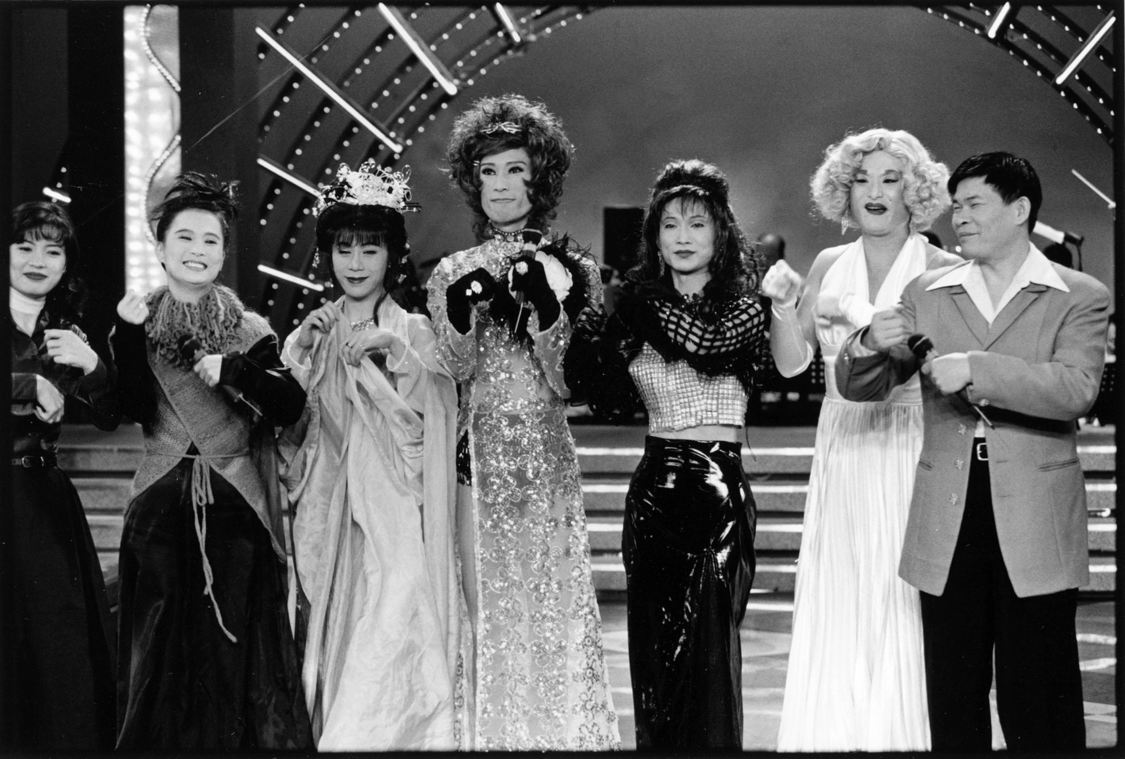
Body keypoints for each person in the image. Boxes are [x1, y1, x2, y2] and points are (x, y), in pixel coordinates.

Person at [837, 151, 1108, 752]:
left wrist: (977, 369)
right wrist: (868, 343)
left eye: (974, 204)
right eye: (955, 205)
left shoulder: (1077, 294)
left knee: (1038, 696)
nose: (959, 217)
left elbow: (1076, 389)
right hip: (949, 511)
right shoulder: (927, 292)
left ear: (1020, 210)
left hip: (1034, 514)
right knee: (953, 697)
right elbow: (862, 387)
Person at [424, 93, 619, 750]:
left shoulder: (572, 269)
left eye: (515, 170)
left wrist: (545, 310)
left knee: (553, 606)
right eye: (488, 172)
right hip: (475, 461)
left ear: (541, 179)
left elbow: (568, 381)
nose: (501, 185)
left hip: (546, 458)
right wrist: (459, 313)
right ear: (472, 182)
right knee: (485, 608)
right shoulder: (451, 270)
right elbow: (454, 367)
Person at [765, 128, 959, 751]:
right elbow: (792, 365)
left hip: (913, 440)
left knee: (901, 593)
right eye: (861, 179)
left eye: (890, 179)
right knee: (845, 587)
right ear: (843, 192)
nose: (874, 191)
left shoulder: (941, 268)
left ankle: (905, 734)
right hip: (843, 442)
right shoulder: (828, 263)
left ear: (914, 191)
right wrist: (782, 307)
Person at [567, 159, 764, 749]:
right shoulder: (636, 310)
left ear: (721, 234)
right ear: (654, 238)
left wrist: (634, 305)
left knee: (709, 648)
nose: (682, 236)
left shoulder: (745, 307)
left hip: (717, 488)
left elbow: (704, 346)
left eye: (697, 224)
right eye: (669, 225)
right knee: (656, 654)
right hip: (656, 486)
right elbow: (604, 400)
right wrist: (585, 333)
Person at [112, 172, 312, 749]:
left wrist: (236, 370)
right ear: (160, 247)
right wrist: (126, 336)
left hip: (235, 503)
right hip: (158, 506)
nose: (197, 250)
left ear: (223, 254)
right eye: (184, 238)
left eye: (210, 240)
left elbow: (291, 405)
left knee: (234, 655)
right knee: (157, 652)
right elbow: (130, 407)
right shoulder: (135, 320)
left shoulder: (249, 329)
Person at [278, 160, 463, 750]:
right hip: (328, 502)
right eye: (344, 249)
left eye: (370, 249)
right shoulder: (311, 332)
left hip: (393, 503)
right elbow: (289, 431)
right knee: (337, 618)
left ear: (392, 256)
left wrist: (395, 356)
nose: (355, 263)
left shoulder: (413, 330)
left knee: (396, 603)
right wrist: (302, 358)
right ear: (328, 255)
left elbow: (435, 422)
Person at [6, 201, 119, 749]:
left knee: (59, 646)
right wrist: (29, 385)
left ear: (66, 263)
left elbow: (109, 415)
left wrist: (92, 364)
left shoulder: (64, 330)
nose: (37, 260)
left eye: (52, 250)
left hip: (45, 499)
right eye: (24, 246)